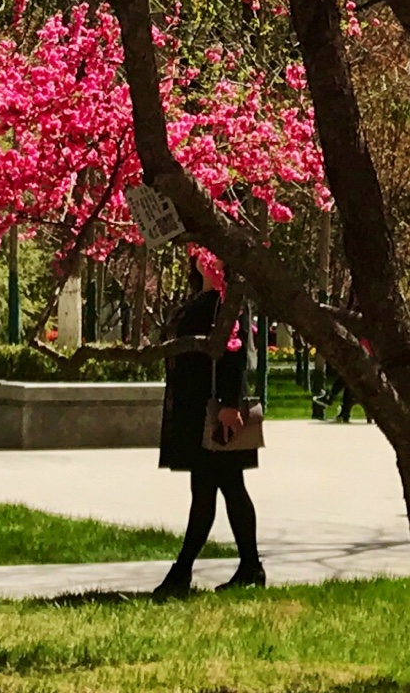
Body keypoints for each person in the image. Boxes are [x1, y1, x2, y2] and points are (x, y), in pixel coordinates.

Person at [150, 250, 264, 597]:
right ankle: (248, 566)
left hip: (213, 414)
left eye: (212, 252)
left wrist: (230, 403)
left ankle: (182, 572)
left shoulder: (228, 301)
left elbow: (235, 352)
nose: (203, 257)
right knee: (225, 488)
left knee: (211, 490)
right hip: (195, 408)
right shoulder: (200, 299)